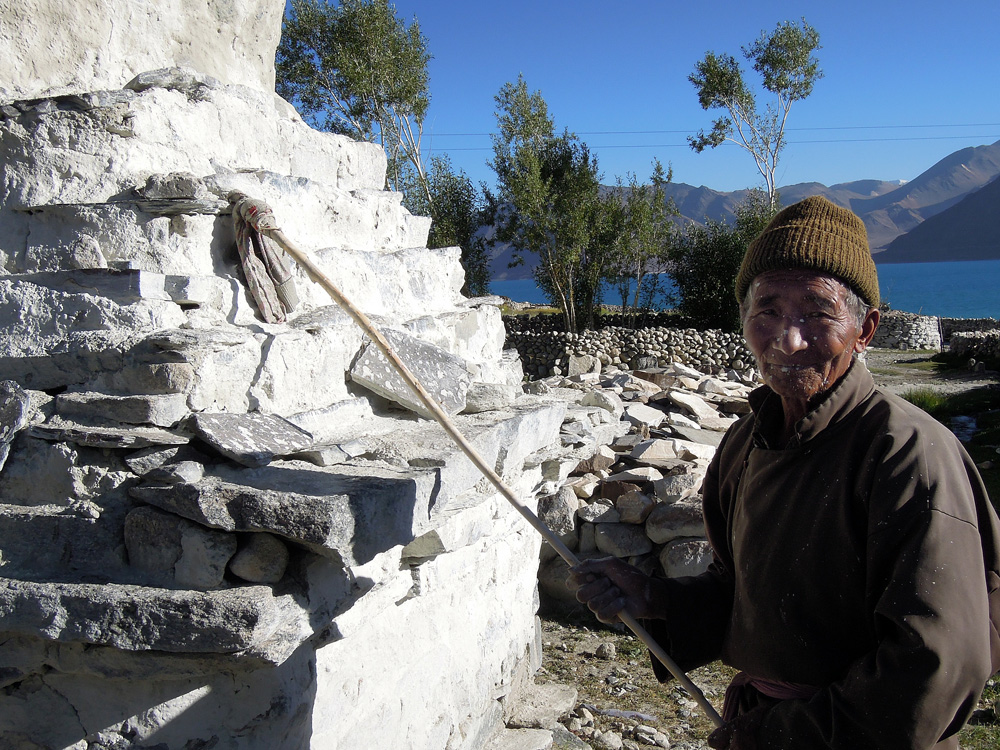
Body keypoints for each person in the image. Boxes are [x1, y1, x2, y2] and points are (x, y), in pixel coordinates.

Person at [570, 196, 1000, 749]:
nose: (787, 338)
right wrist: (655, 600)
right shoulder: (746, 442)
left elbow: (932, 665)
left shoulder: (909, 455)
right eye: (766, 310)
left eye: (818, 313)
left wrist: (778, 737)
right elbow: (746, 590)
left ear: (865, 328)